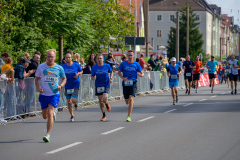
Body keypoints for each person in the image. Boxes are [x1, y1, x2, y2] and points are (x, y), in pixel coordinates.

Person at [35, 49, 66, 142]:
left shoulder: (59, 68)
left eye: (51, 56)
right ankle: (53, 114)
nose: (50, 58)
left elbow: (64, 78)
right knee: (45, 116)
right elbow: (36, 79)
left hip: (54, 94)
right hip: (43, 95)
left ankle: (48, 134)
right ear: (46, 57)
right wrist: (38, 88)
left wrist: (61, 85)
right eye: (48, 56)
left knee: (50, 113)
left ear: (55, 57)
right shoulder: (41, 67)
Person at [118, 50, 144, 122]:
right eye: (129, 55)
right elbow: (118, 72)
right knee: (127, 101)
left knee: (131, 98)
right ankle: (130, 102)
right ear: (127, 56)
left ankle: (128, 116)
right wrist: (123, 78)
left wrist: (140, 75)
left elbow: (142, 73)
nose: (130, 57)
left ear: (133, 56)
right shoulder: (123, 64)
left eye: (131, 55)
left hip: (133, 82)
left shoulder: (136, 64)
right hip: (125, 83)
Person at [91, 54, 113, 121]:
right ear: (96, 59)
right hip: (98, 85)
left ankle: (106, 104)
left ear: (103, 59)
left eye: (100, 58)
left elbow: (111, 71)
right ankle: (103, 115)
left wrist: (111, 78)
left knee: (104, 98)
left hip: (106, 84)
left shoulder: (107, 65)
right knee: (100, 101)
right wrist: (93, 78)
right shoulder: (94, 67)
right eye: (98, 58)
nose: (99, 60)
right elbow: (92, 76)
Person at [62, 53, 82, 121]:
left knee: (73, 100)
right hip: (67, 85)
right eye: (66, 57)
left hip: (75, 84)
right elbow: (61, 74)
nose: (68, 59)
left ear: (71, 58)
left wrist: (78, 74)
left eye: (69, 57)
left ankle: (76, 103)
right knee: (68, 102)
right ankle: (72, 115)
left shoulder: (76, 64)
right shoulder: (63, 66)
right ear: (65, 59)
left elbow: (81, 71)